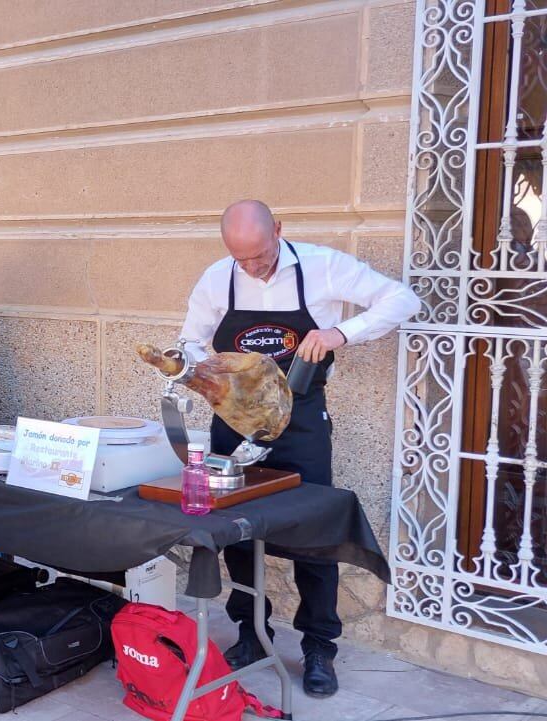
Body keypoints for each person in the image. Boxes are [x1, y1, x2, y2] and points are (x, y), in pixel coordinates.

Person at [177, 200, 419, 698]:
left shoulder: (323, 265)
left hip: (303, 420)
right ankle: (250, 632)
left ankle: (318, 647)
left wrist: (340, 332)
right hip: (234, 420)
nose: (251, 268)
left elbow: (402, 300)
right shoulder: (217, 278)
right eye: (241, 259)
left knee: (315, 534)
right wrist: (206, 368)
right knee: (236, 533)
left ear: (279, 232)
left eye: (260, 256)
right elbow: (191, 340)